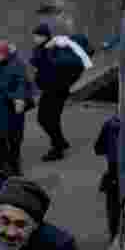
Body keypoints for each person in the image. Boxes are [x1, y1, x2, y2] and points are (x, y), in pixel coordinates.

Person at [30, 23, 91, 162]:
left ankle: (58, 147)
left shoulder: (57, 52)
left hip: (56, 91)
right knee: (49, 119)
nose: (34, 38)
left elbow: (50, 66)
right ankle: (59, 143)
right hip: (52, 90)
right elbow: (37, 62)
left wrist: (43, 55)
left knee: (47, 119)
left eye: (37, 36)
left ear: (44, 36)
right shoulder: (46, 48)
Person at [0, 40, 29, 176]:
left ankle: (15, 171)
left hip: (10, 110)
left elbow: (22, 83)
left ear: (3, 53)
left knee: (13, 142)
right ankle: (6, 168)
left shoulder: (16, 65)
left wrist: (19, 98)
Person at [94, 115, 121, 241]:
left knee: (113, 207)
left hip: (115, 171)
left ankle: (114, 235)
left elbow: (99, 149)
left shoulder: (111, 124)